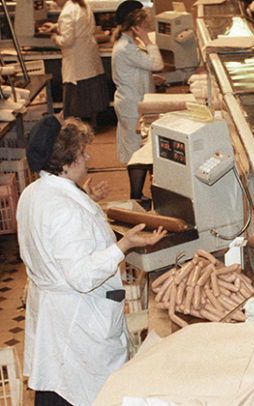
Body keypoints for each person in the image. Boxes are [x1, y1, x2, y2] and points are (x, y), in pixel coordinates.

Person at [17, 116, 167, 406]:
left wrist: (86, 197)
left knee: (56, 388)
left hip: (55, 315)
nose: (88, 157)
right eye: (83, 152)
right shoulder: (64, 210)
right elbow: (81, 276)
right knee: (77, 392)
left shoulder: (35, 193)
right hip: (77, 322)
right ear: (67, 161)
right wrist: (123, 245)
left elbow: (56, 235)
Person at [112, 0, 164, 200]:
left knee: (137, 148)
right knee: (136, 152)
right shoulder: (126, 47)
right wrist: (149, 41)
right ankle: (136, 197)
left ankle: (138, 195)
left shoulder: (128, 44)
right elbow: (157, 63)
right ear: (135, 25)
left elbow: (137, 69)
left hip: (132, 101)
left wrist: (149, 78)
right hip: (131, 105)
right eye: (143, 23)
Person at [39, 0, 109, 128]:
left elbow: (67, 40)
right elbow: (77, 26)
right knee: (92, 95)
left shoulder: (67, 11)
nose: (54, 1)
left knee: (77, 100)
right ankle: (93, 125)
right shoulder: (83, 4)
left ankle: (76, 130)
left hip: (77, 60)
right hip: (89, 54)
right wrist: (56, 26)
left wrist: (54, 37)